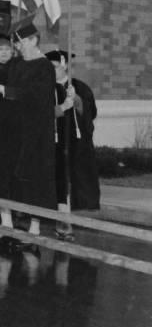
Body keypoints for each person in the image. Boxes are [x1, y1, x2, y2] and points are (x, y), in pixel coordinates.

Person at [0, 22, 57, 246]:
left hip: (34, 133)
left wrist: (2, 89)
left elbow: (35, 96)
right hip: (10, 131)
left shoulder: (44, 67)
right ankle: (6, 225)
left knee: (32, 178)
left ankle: (34, 229)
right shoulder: (16, 64)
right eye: (17, 43)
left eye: (21, 42)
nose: (18, 46)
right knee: (1, 175)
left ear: (34, 40)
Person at [47, 50, 100, 239]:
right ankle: (62, 222)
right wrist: (62, 108)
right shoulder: (46, 87)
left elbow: (91, 113)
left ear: (65, 66)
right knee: (57, 183)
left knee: (70, 183)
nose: (51, 71)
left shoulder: (79, 87)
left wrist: (76, 100)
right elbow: (39, 113)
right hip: (53, 142)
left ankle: (65, 223)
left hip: (74, 144)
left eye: (55, 67)